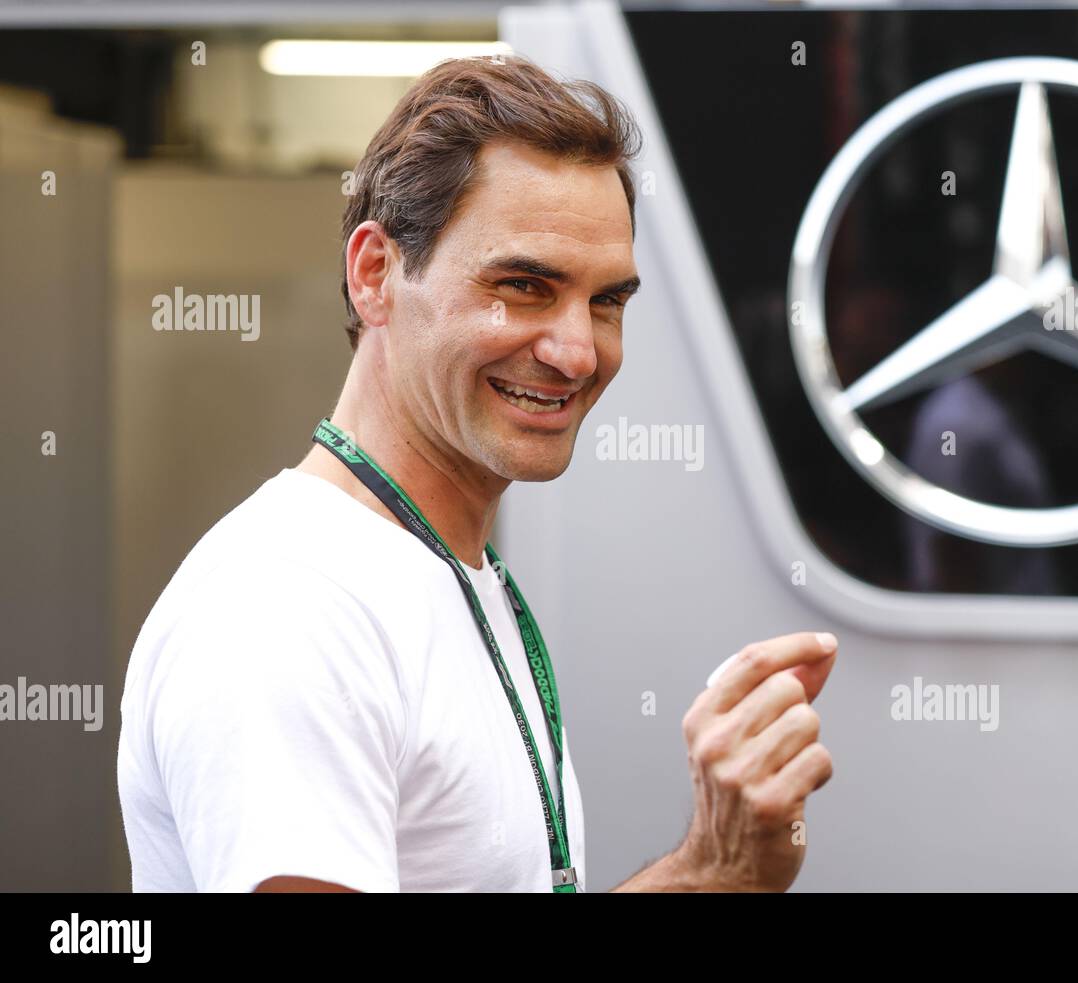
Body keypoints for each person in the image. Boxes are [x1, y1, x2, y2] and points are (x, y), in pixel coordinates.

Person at [116, 54, 836, 893]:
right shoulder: (286, 607)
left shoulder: (444, 572)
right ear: (375, 273)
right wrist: (712, 873)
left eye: (607, 300)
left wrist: (716, 868)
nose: (577, 350)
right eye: (525, 285)